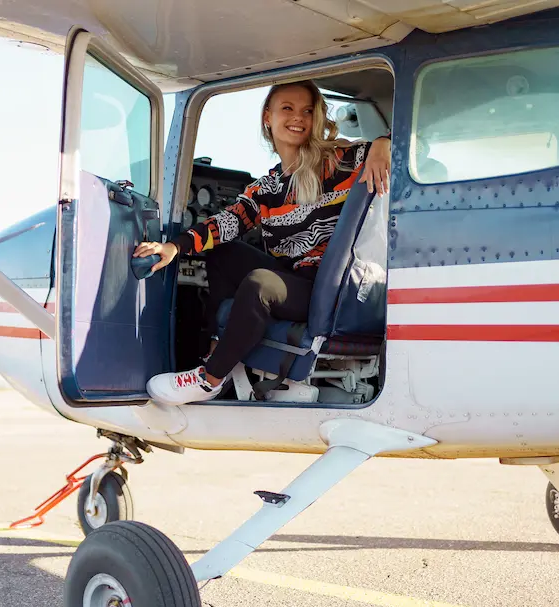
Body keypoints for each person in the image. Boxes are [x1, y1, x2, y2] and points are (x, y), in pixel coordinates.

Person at [134, 80, 391, 406]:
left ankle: (208, 379)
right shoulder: (267, 187)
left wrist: (383, 142)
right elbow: (228, 222)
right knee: (221, 252)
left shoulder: (342, 161)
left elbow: (416, 144)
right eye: (288, 108)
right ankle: (218, 351)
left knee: (260, 284)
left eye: (307, 111)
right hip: (295, 280)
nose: (298, 117)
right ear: (267, 117)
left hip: (330, 287)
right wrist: (175, 247)